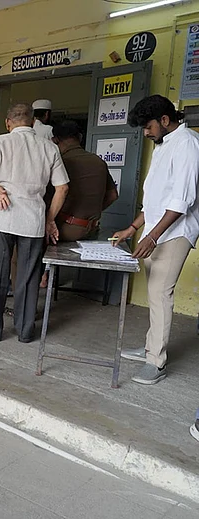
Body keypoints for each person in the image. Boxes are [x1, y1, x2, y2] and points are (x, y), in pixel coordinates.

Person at [115, 95, 199, 385]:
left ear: (165, 120)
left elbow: (181, 200)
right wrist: (132, 228)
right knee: (154, 292)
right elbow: (154, 199)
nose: (146, 132)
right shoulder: (164, 144)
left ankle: (156, 362)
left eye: (148, 126)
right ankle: (151, 348)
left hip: (175, 232)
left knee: (161, 293)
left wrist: (151, 236)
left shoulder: (187, 143)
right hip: (157, 230)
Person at [0, 103, 69, 343]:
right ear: (33, 122)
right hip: (33, 221)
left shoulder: (0, 142)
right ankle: (25, 332)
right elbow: (62, 188)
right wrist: (49, 219)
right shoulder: (49, 148)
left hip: (2, 219)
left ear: (8, 122)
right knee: (28, 277)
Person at [51, 120, 118, 241]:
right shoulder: (99, 162)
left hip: (63, 230)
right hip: (91, 230)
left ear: (55, 140)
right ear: (80, 137)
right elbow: (113, 195)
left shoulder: (60, 162)